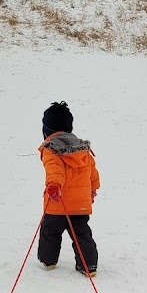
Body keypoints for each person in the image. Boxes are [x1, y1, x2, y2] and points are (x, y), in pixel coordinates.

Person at [37, 101, 100, 276]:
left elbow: (54, 170)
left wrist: (54, 186)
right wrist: (93, 189)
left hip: (58, 204)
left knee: (50, 232)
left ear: (46, 129)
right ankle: (89, 266)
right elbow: (92, 172)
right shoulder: (82, 149)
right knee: (81, 234)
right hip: (80, 204)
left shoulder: (51, 149)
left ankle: (48, 261)